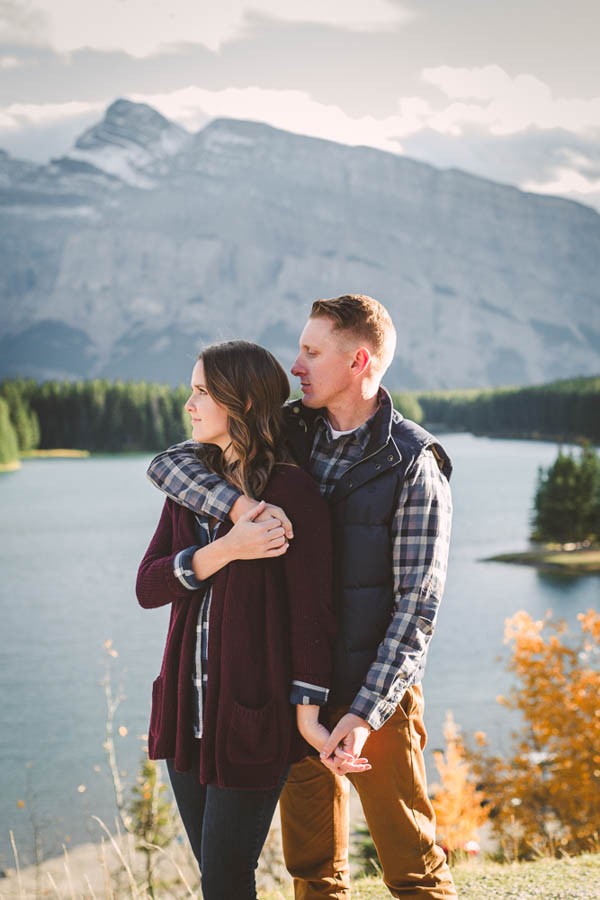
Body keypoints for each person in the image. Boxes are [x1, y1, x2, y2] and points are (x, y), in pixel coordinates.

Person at [146, 296, 457, 898]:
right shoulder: (289, 430)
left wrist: (365, 714)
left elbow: (417, 607)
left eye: (312, 352)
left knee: (411, 867)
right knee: (313, 869)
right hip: (296, 693)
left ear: (358, 360)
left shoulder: (414, 461)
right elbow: (169, 464)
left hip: (375, 696)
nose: (296, 365)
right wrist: (239, 510)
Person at [136, 340, 343, 900]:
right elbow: (148, 586)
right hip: (186, 715)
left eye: (202, 391)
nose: (189, 403)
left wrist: (307, 715)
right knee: (217, 879)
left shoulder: (291, 491)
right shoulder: (190, 487)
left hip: (252, 721)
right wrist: (227, 548)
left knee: (227, 881)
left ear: (243, 401)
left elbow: (311, 616)